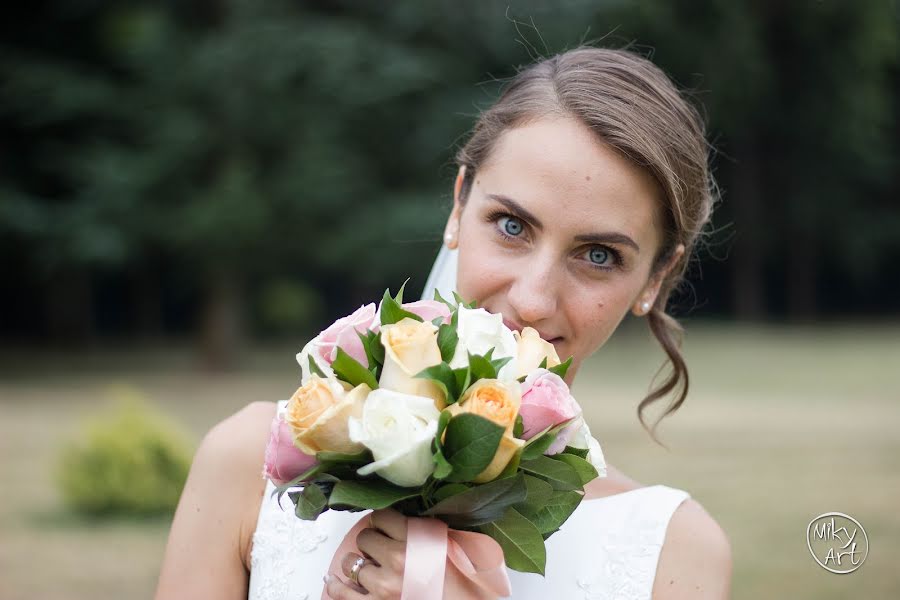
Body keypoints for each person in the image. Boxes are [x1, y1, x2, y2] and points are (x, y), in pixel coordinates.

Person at [154, 46, 732, 599]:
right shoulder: (250, 464)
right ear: (459, 206)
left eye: (598, 255)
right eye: (510, 225)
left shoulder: (673, 553)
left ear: (655, 279)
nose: (532, 301)